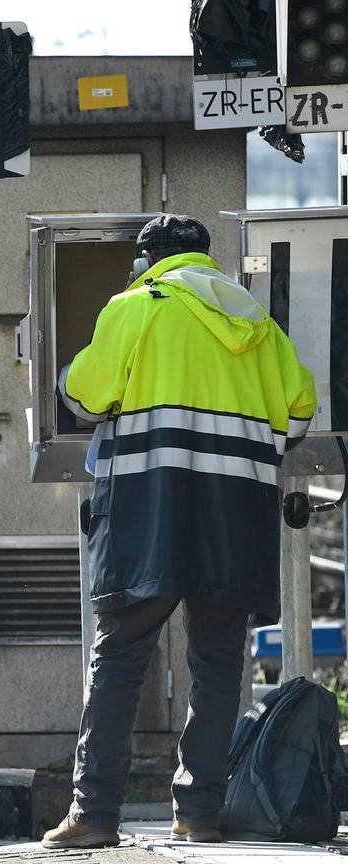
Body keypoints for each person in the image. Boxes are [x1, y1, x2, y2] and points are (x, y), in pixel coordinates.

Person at [41, 214, 318, 849]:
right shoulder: (258, 325)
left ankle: (94, 815)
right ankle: (199, 813)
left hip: (149, 508)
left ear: (147, 260)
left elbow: (83, 396)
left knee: (119, 657)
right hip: (235, 514)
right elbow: (299, 412)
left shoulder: (136, 307)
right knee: (219, 664)